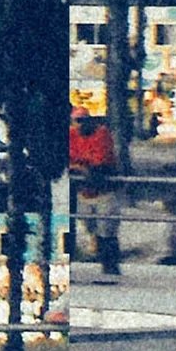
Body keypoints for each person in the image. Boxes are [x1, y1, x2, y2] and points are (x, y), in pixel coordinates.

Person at [67, 106, 122, 278]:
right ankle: (104, 262)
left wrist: (80, 166)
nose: (80, 125)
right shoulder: (72, 135)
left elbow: (100, 163)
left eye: (83, 120)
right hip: (84, 192)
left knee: (107, 230)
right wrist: (81, 167)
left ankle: (110, 267)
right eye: (77, 121)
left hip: (105, 191)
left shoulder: (101, 133)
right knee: (91, 228)